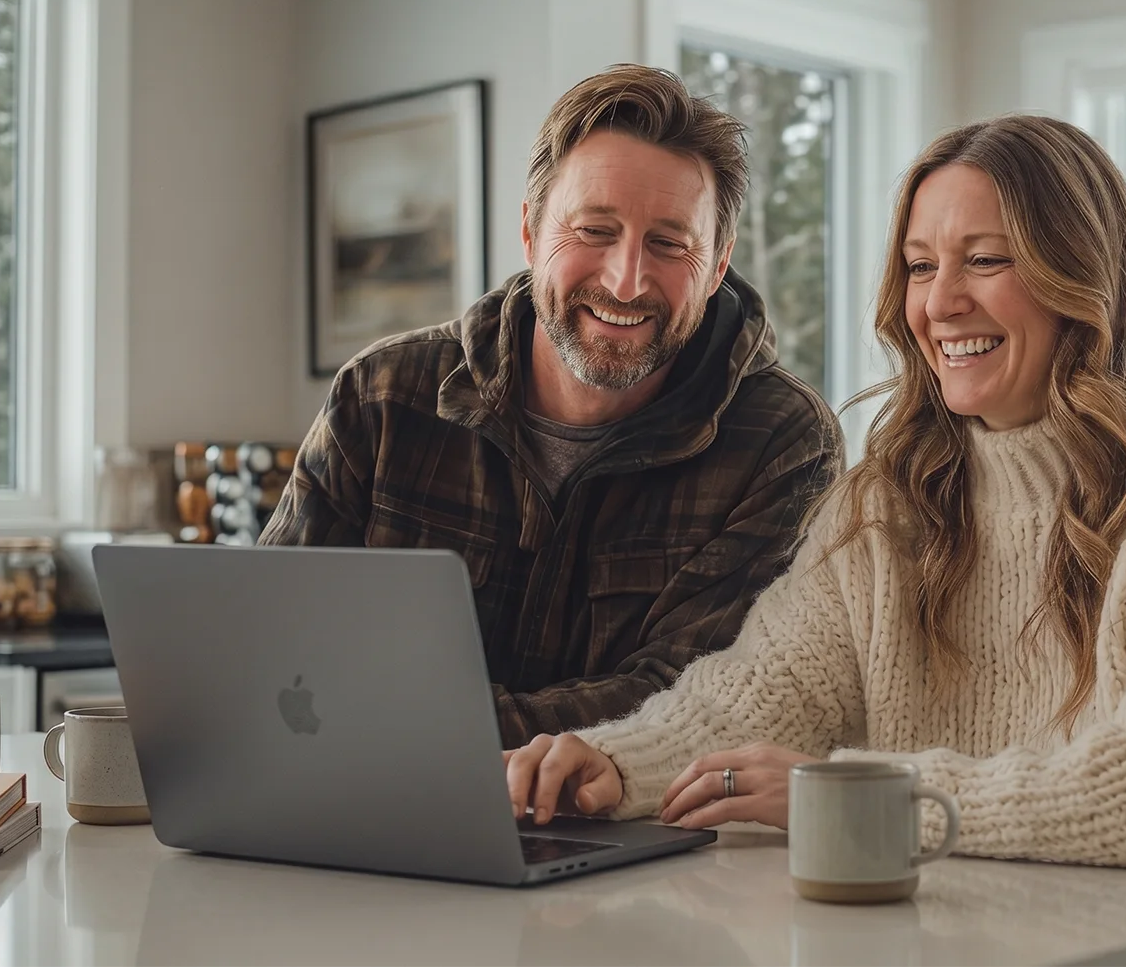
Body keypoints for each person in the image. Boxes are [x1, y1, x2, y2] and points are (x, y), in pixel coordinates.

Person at [507, 114, 1126, 967]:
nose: (942, 302)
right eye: (921, 267)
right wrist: (611, 762)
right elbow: (761, 702)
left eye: (987, 260)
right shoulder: (894, 500)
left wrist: (857, 796)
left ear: (1083, 278)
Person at [262, 65, 843, 745]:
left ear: (716, 265)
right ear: (533, 232)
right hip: (355, 802)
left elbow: (690, 700)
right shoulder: (382, 396)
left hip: (634, 836)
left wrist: (403, 726)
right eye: (595, 230)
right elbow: (273, 641)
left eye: (669, 243)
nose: (626, 280)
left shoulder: (783, 443)